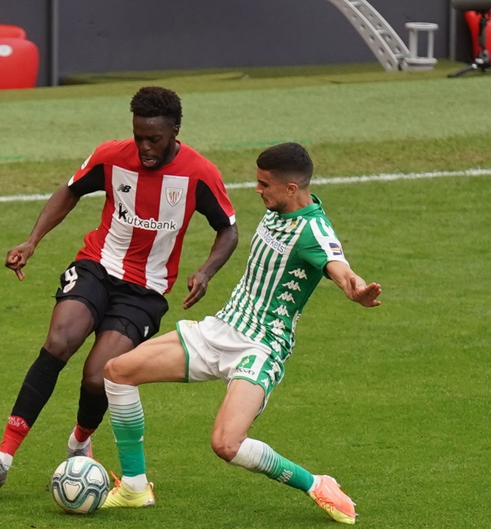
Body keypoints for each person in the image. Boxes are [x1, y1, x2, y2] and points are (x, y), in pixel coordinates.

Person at [0, 86, 239, 490]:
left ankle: (79, 443)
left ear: (175, 131)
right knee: (58, 342)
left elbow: (228, 229)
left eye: (154, 140)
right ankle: (1, 459)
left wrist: (207, 270)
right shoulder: (112, 155)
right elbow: (71, 190)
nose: (145, 147)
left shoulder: (199, 173)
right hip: (97, 265)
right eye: (138, 136)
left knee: (99, 376)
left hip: (144, 291)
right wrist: (32, 240)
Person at [100, 142, 381, 525]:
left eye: (264, 184)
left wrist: (355, 289)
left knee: (226, 444)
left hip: (260, 347)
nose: (257, 189)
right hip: (221, 328)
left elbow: (339, 266)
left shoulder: (315, 231)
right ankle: (134, 486)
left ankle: (316, 484)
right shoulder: (278, 208)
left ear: (291, 189)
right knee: (117, 371)